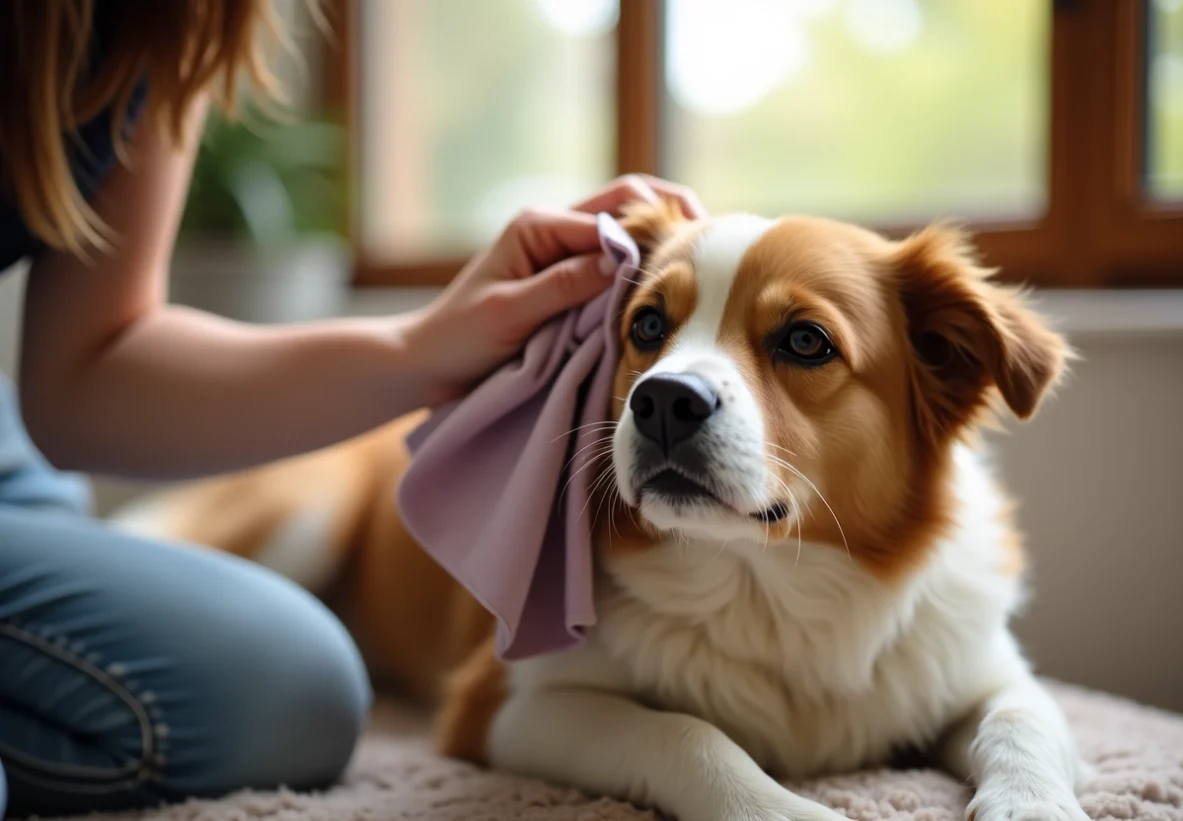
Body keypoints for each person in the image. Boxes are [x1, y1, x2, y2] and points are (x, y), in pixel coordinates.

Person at [0, 1, 704, 817]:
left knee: (288, 694)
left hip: (14, 460)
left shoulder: (168, 21)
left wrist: (426, 345)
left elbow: (87, 375)